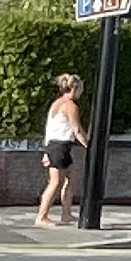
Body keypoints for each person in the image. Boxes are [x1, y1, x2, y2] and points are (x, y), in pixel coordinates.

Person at [37, 72, 87, 227]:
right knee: (55, 182)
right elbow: (77, 130)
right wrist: (89, 145)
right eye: (81, 89)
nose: (81, 93)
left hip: (58, 146)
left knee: (70, 177)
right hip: (59, 147)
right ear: (74, 88)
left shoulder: (57, 103)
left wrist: (47, 150)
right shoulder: (70, 106)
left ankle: (66, 214)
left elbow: (50, 128)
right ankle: (41, 216)